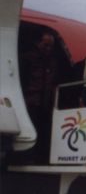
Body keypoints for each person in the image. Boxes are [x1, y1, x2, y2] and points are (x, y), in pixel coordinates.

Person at [19, 29, 58, 162]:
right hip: (29, 101)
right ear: (38, 43)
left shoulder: (52, 62)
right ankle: (23, 158)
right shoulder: (27, 58)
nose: (48, 49)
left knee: (42, 131)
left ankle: (37, 158)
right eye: (45, 45)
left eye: (50, 46)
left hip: (44, 103)